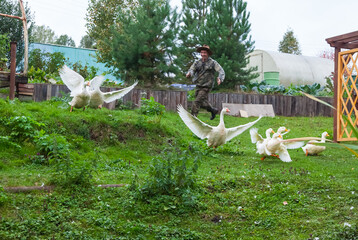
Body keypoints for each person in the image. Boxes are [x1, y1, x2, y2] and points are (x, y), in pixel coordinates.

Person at [186, 44, 225, 120]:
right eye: (202, 52)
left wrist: (220, 78)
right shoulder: (197, 62)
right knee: (202, 103)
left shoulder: (213, 63)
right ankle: (213, 110)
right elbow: (192, 69)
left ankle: (192, 119)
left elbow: (221, 71)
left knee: (197, 102)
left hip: (207, 86)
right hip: (198, 85)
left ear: (208, 53)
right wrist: (189, 73)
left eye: (205, 52)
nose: (203, 54)